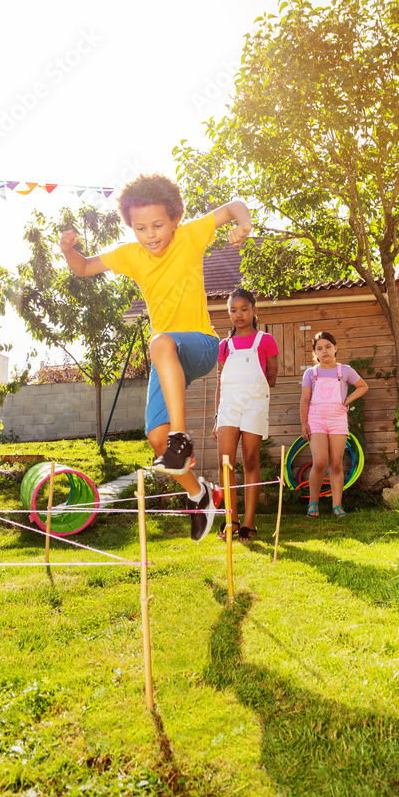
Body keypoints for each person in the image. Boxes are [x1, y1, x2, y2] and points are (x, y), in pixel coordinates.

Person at [60, 173, 254, 542]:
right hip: (167, 360)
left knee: (160, 342)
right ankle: (200, 495)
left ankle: (182, 439)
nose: (150, 235)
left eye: (158, 225)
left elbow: (232, 207)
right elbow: (83, 267)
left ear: (176, 218)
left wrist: (243, 222)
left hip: (198, 345)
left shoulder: (191, 235)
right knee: (155, 438)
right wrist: (69, 248)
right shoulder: (130, 255)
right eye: (140, 227)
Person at [213, 289, 279, 542]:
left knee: (251, 460)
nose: (238, 314)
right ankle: (231, 519)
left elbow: (271, 377)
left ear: (254, 310)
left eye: (243, 309)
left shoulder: (265, 340)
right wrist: (217, 416)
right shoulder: (224, 345)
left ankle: (249, 524)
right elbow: (221, 381)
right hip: (228, 406)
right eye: (233, 310)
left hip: (254, 405)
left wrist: (253, 388)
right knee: (225, 462)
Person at [299, 331, 368, 518]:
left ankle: (337, 505)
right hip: (316, 419)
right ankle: (313, 503)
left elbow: (363, 386)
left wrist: (347, 400)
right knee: (320, 461)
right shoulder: (310, 373)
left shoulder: (344, 371)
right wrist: (304, 423)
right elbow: (305, 400)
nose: (325, 351)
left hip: (338, 420)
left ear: (335, 348)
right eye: (319, 348)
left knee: (336, 464)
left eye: (328, 346)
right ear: (315, 352)